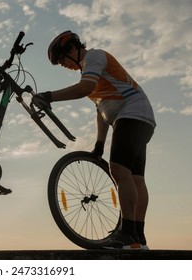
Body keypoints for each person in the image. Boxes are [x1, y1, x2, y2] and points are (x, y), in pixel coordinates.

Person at [32, 30, 156, 250]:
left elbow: (85, 89)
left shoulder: (95, 56)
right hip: (138, 117)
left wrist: (50, 96)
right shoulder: (89, 68)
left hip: (133, 113)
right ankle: (138, 237)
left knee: (118, 170)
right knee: (135, 178)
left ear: (72, 48)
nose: (63, 65)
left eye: (62, 60)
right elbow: (102, 110)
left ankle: (127, 233)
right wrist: (99, 144)